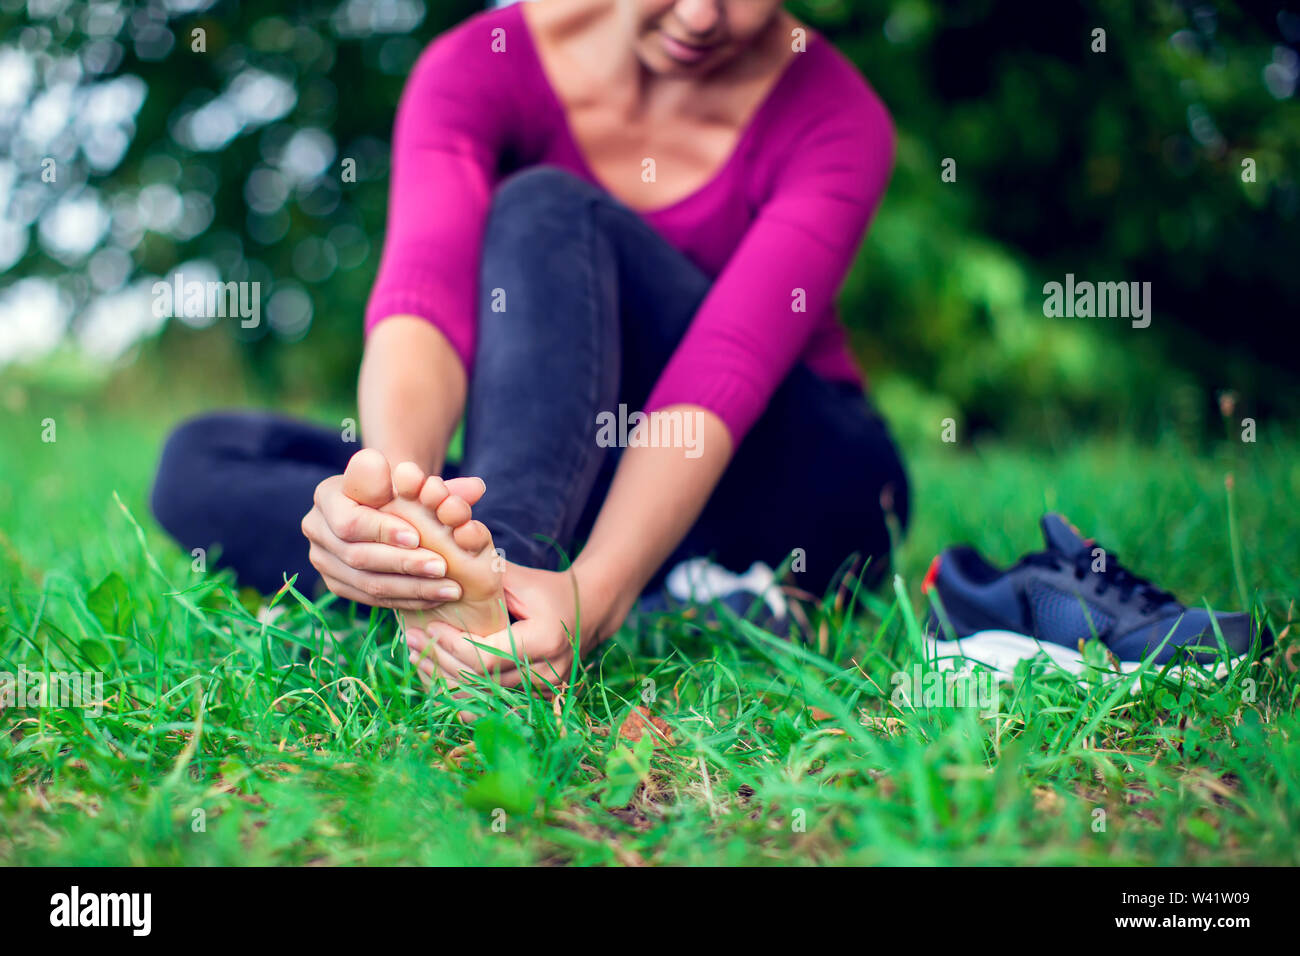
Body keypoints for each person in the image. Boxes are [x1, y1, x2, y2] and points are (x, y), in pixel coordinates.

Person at [151, 0, 909, 693]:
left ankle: (504, 592)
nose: (702, 15)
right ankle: (526, 588)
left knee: (547, 211)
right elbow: (424, 300)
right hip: (580, 475)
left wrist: (593, 595)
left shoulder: (839, 119)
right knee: (202, 461)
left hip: (795, 485)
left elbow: (722, 370)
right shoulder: (477, 65)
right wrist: (394, 514)